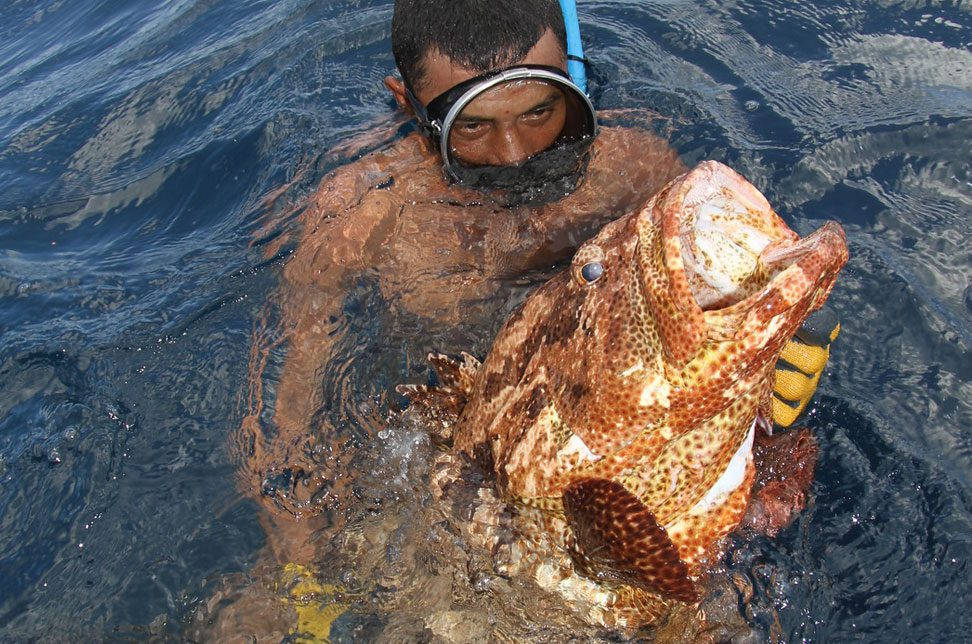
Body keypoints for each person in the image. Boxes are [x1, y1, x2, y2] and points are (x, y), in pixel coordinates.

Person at [237, 0, 836, 585]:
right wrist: (292, 556)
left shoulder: (631, 167)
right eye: (472, 125)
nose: (515, 155)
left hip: (592, 436)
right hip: (435, 440)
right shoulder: (357, 218)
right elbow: (285, 398)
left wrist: (756, 414)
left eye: (540, 112)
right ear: (409, 105)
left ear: (570, 80)